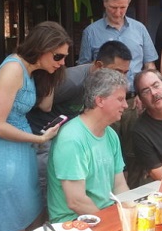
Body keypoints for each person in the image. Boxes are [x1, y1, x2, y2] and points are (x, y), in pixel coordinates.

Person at [0, 21, 72, 231]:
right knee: (14, 230)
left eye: (64, 58)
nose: (62, 63)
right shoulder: (14, 68)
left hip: (19, 151)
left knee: (32, 219)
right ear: (42, 48)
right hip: (3, 152)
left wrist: (49, 73)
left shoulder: (29, 71)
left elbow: (47, 106)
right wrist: (39, 139)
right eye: (58, 57)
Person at [78, 0, 158, 188]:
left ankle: (131, 196)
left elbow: (149, 66)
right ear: (104, 3)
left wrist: (145, 94)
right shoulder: (91, 32)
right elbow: (85, 70)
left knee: (135, 152)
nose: (118, 12)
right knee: (104, 154)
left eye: (123, 7)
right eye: (114, 7)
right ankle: (108, 200)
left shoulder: (140, 29)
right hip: (104, 104)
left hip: (134, 102)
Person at [27, 40, 132, 199]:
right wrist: (41, 138)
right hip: (44, 136)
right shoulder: (72, 82)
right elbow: (35, 105)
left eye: (125, 72)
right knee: (46, 191)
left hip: (72, 135)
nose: (121, 77)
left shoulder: (109, 134)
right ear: (99, 65)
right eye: (117, 71)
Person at [47, 68, 130, 222]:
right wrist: (111, 223)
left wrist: (131, 213)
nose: (125, 105)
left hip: (105, 214)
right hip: (75, 222)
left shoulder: (111, 135)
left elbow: (119, 185)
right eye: (120, 99)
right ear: (100, 101)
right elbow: (76, 201)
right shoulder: (72, 138)